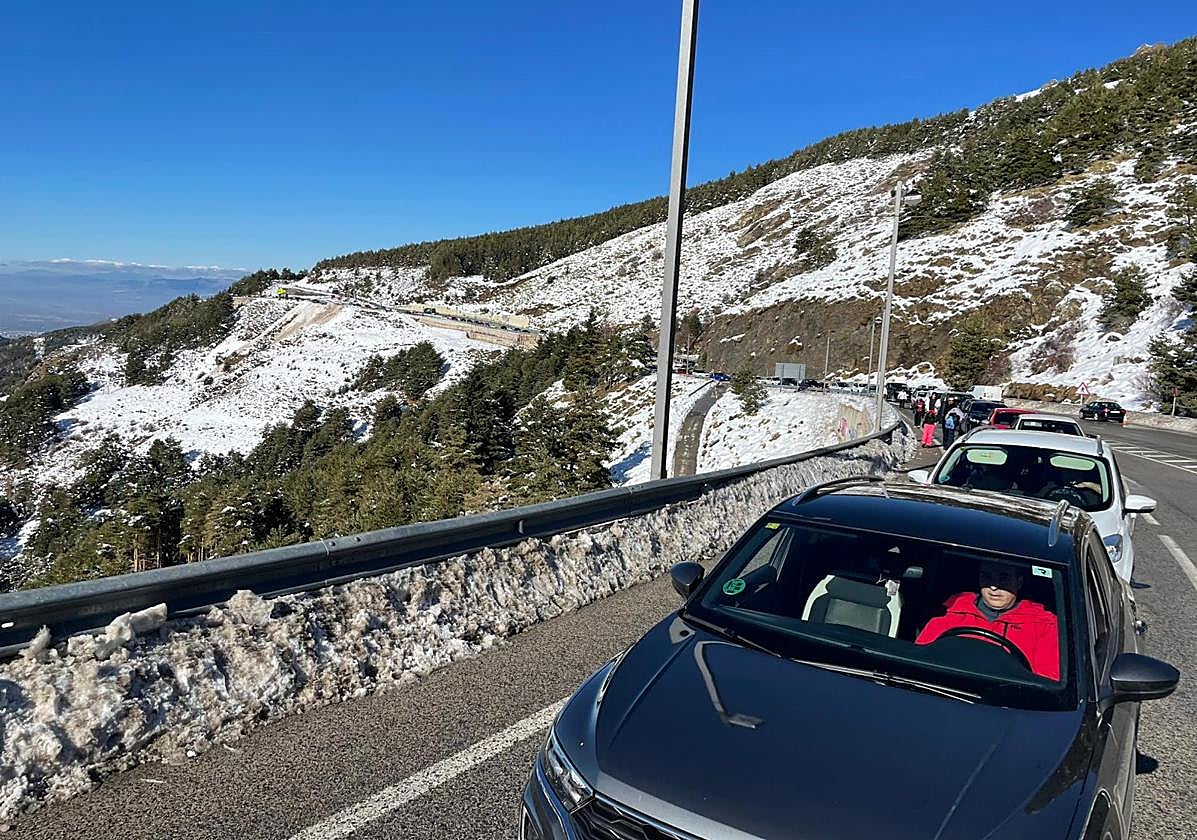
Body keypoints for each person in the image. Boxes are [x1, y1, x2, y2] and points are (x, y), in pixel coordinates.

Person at [916, 561, 1059, 680]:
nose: (994, 586)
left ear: (1019, 582)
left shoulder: (1045, 624)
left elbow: (1046, 681)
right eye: (987, 577)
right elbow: (919, 660)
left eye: (1004, 578)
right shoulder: (950, 611)